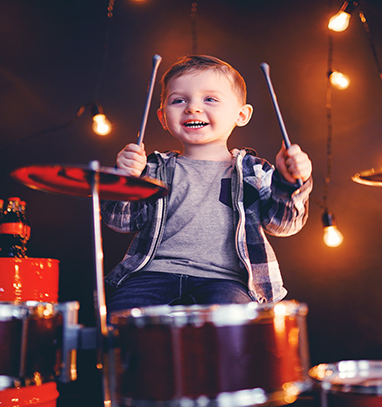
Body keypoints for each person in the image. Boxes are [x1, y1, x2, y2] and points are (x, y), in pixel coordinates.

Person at [101, 55, 312, 312]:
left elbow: (283, 225)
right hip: (153, 274)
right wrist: (126, 178)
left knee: (234, 325)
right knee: (118, 316)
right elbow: (120, 222)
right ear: (162, 118)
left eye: (210, 99)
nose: (192, 108)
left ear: (242, 114)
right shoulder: (150, 167)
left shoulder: (256, 171)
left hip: (227, 281)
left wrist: (290, 183)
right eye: (178, 100)